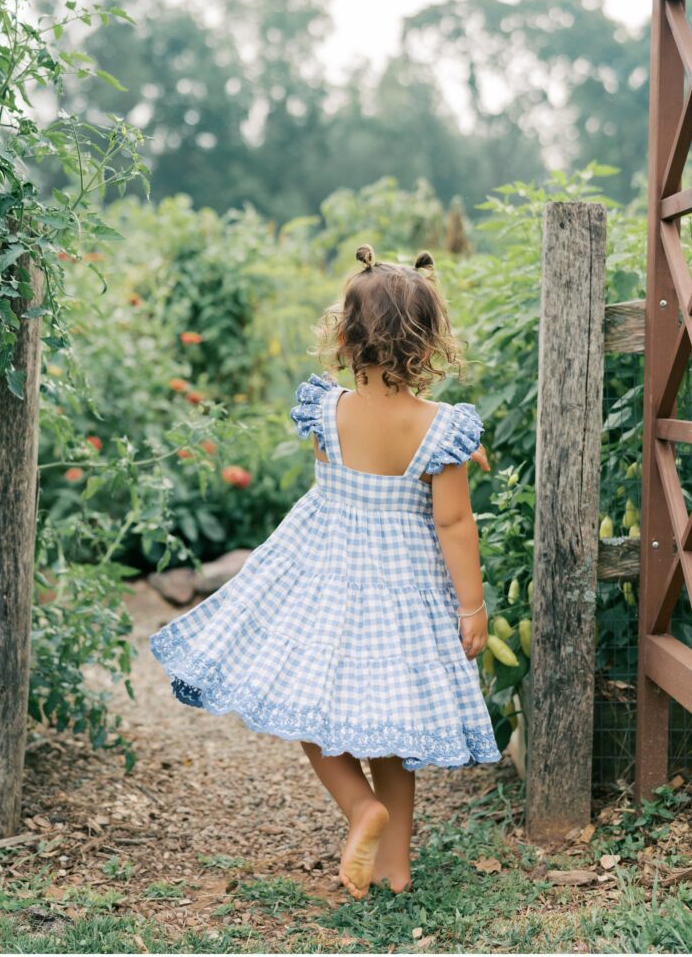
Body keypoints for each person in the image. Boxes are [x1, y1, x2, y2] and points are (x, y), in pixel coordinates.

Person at [149, 243, 503, 901]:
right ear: (430, 344)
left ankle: (357, 807)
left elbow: (338, 465)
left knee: (311, 708)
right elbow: (455, 525)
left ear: (344, 336)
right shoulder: (442, 431)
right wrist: (472, 607)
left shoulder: (325, 411)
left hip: (324, 571)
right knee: (393, 731)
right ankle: (395, 868)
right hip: (402, 588)